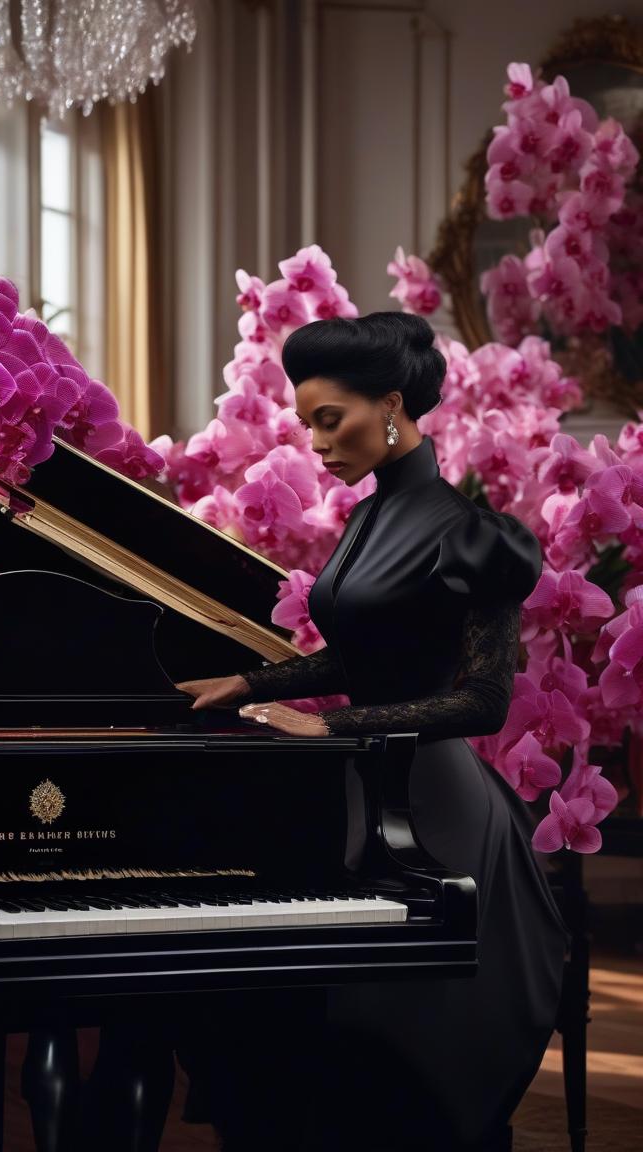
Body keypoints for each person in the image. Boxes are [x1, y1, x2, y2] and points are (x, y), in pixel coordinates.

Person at [175, 312, 568, 1152]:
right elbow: (356, 657)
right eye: (305, 421)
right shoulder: (363, 519)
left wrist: (332, 732)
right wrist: (248, 679)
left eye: (330, 418)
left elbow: (485, 702)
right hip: (353, 791)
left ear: (391, 405)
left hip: (438, 814)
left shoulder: (473, 536)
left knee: (385, 1055)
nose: (316, 441)